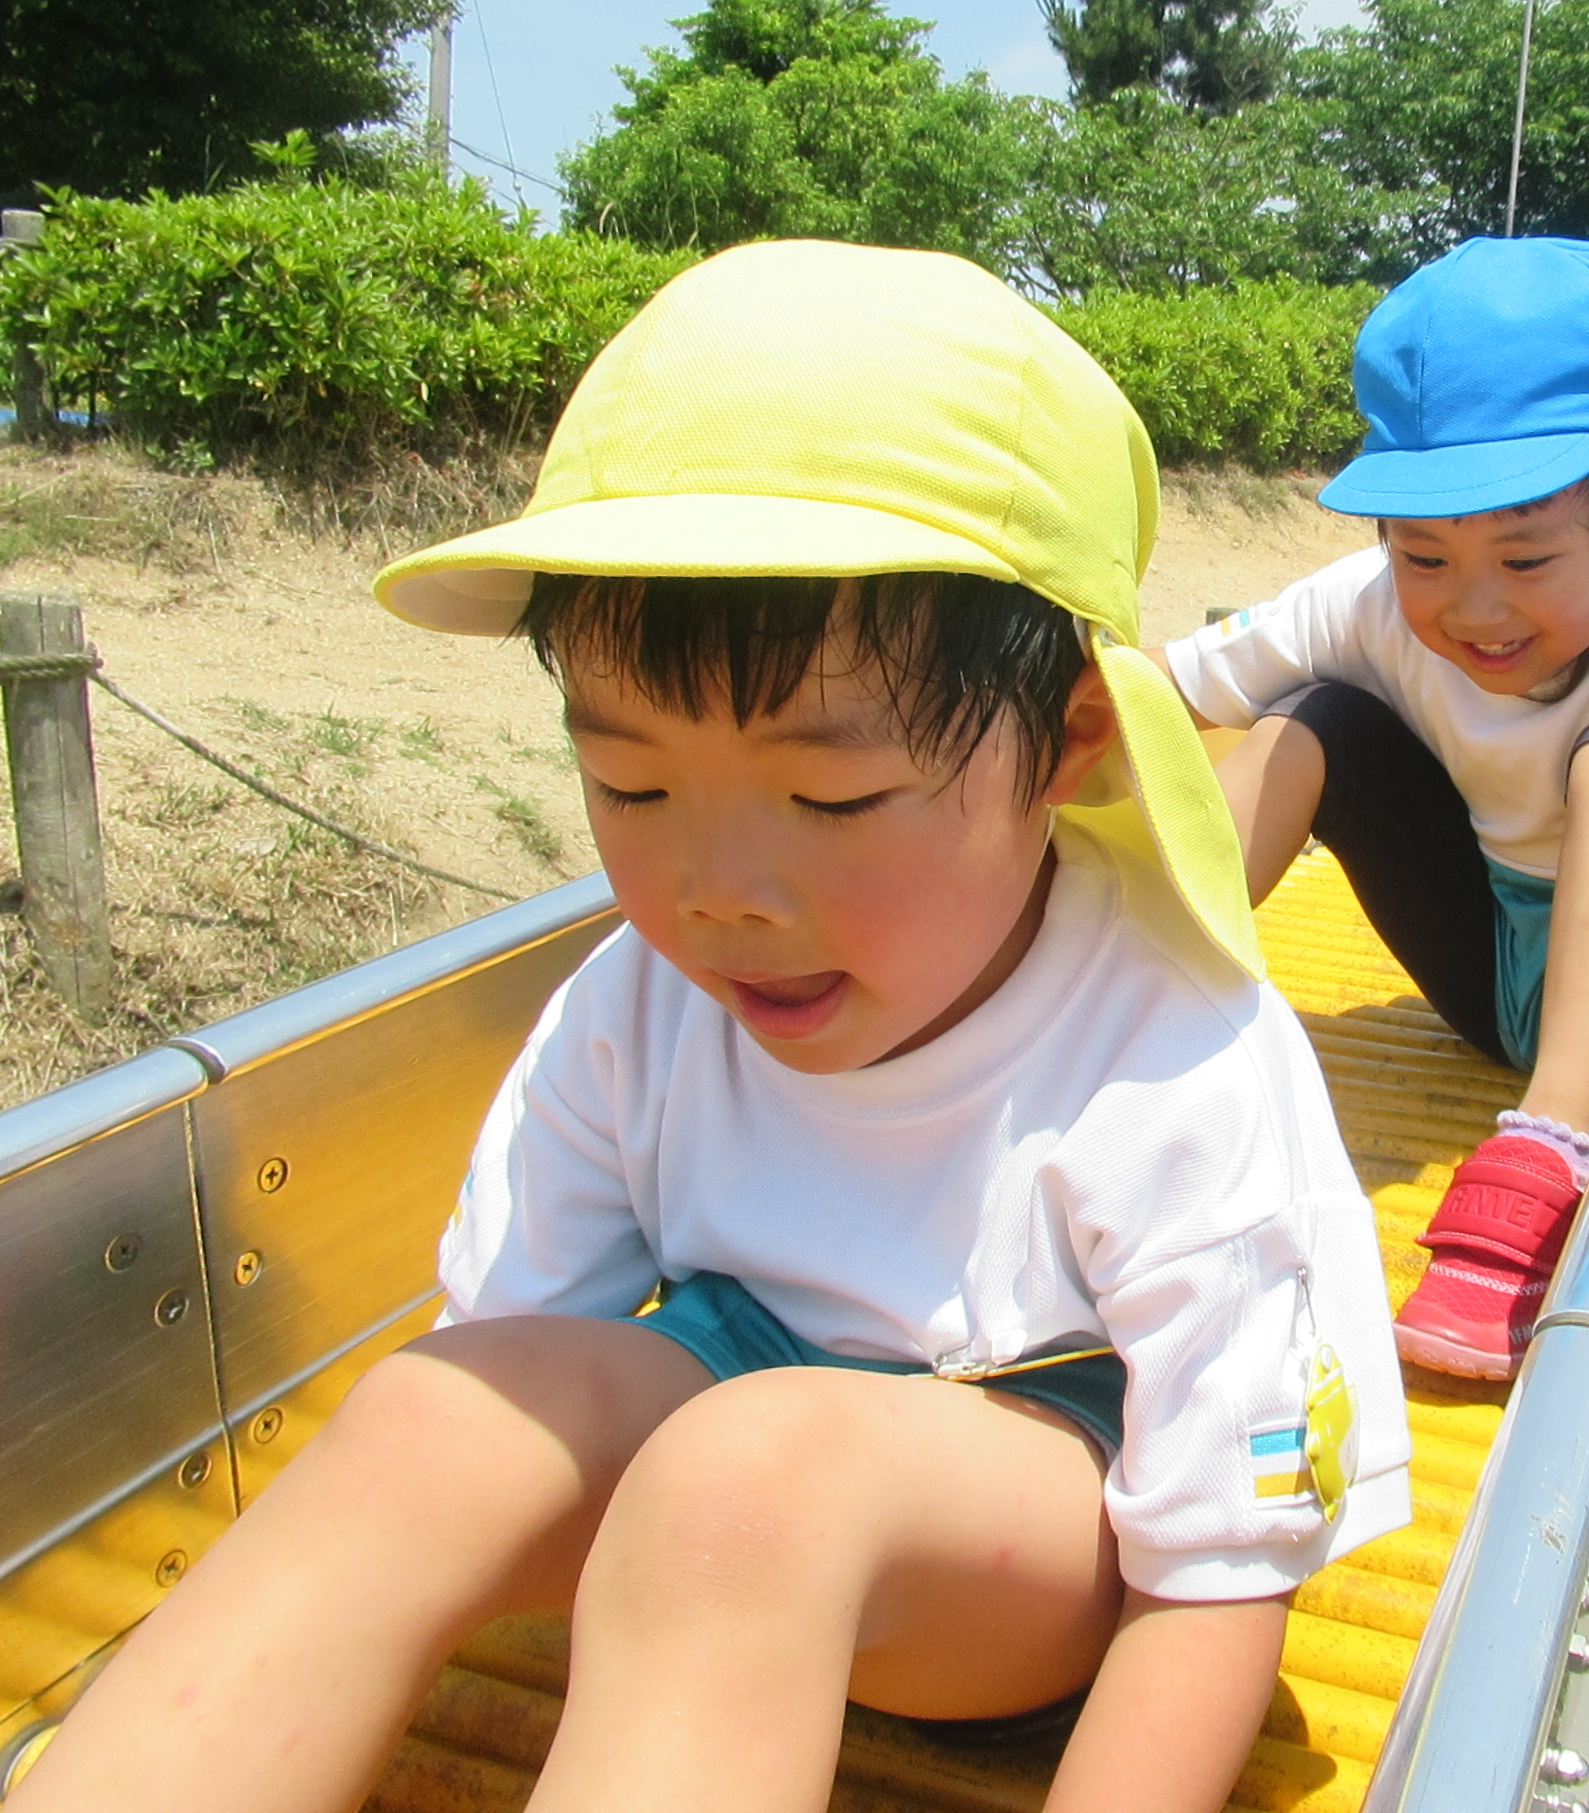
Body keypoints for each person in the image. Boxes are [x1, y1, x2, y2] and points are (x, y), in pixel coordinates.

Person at [11, 243, 1412, 1813]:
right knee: (426, 1411)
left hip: (1042, 1541)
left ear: (1069, 739)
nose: (719, 893)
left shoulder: (1173, 1052)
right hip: (725, 1447)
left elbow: (1221, 1574)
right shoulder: (640, 1002)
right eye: (632, 785)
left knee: (750, 1482)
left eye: (833, 797)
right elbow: (511, 1381)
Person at [1155, 237, 1589, 1380]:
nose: (1474, 610)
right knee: (1318, 716)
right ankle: (1129, 996)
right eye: (1424, 557)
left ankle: (1549, 1152)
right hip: (1482, 967)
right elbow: (1159, 692)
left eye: (1526, 561)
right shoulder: (1368, 606)